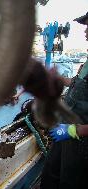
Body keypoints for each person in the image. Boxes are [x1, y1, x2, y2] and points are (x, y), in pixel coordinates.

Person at [41, 12, 88, 189]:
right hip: (66, 132)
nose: (85, 31)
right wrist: (58, 78)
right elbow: (77, 85)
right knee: (51, 175)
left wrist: (75, 131)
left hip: (80, 140)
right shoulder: (87, 62)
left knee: (72, 182)